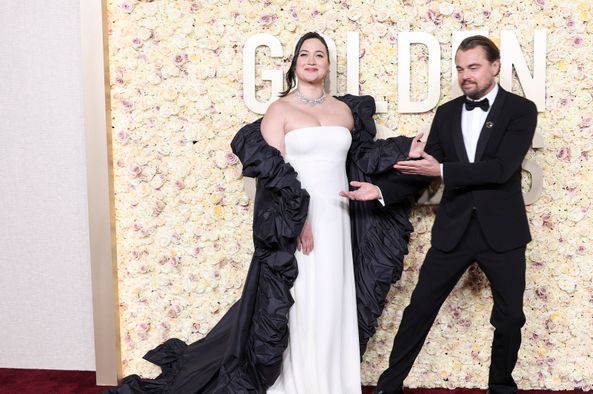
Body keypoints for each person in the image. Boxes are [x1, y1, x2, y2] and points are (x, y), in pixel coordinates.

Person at [107, 32, 424, 394]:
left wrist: (405, 149)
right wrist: (296, 221)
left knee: (333, 301)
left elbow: (364, 157)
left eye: (319, 54)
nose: (312, 59)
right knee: (300, 300)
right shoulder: (280, 110)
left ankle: (331, 383)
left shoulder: (344, 110)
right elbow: (273, 176)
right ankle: (298, 384)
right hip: (298, 218)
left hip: (339, 219)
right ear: (294, 63)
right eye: (305, 53)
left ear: (328, 65)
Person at [349, 35, 538, 394]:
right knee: (419, 309)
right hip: (454, 230)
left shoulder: (520, 110)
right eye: (460, 69)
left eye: (474, 67)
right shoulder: (448, 113)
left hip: (503, 232)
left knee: (511, 317)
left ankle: (500, 387)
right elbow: (424, 169)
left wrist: (442, 171)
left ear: (495, 67)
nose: (466, 75)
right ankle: (389, 387)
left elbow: (501, 169)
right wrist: (382, 191)